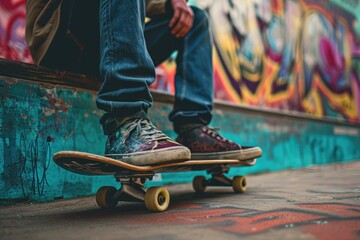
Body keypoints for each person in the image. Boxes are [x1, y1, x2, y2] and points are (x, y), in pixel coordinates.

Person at [25, 0, 261, 166]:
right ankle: (127, 123)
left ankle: (193, 129)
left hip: (107, 44)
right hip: (61, 40)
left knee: (194, 19)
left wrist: (170, 3)